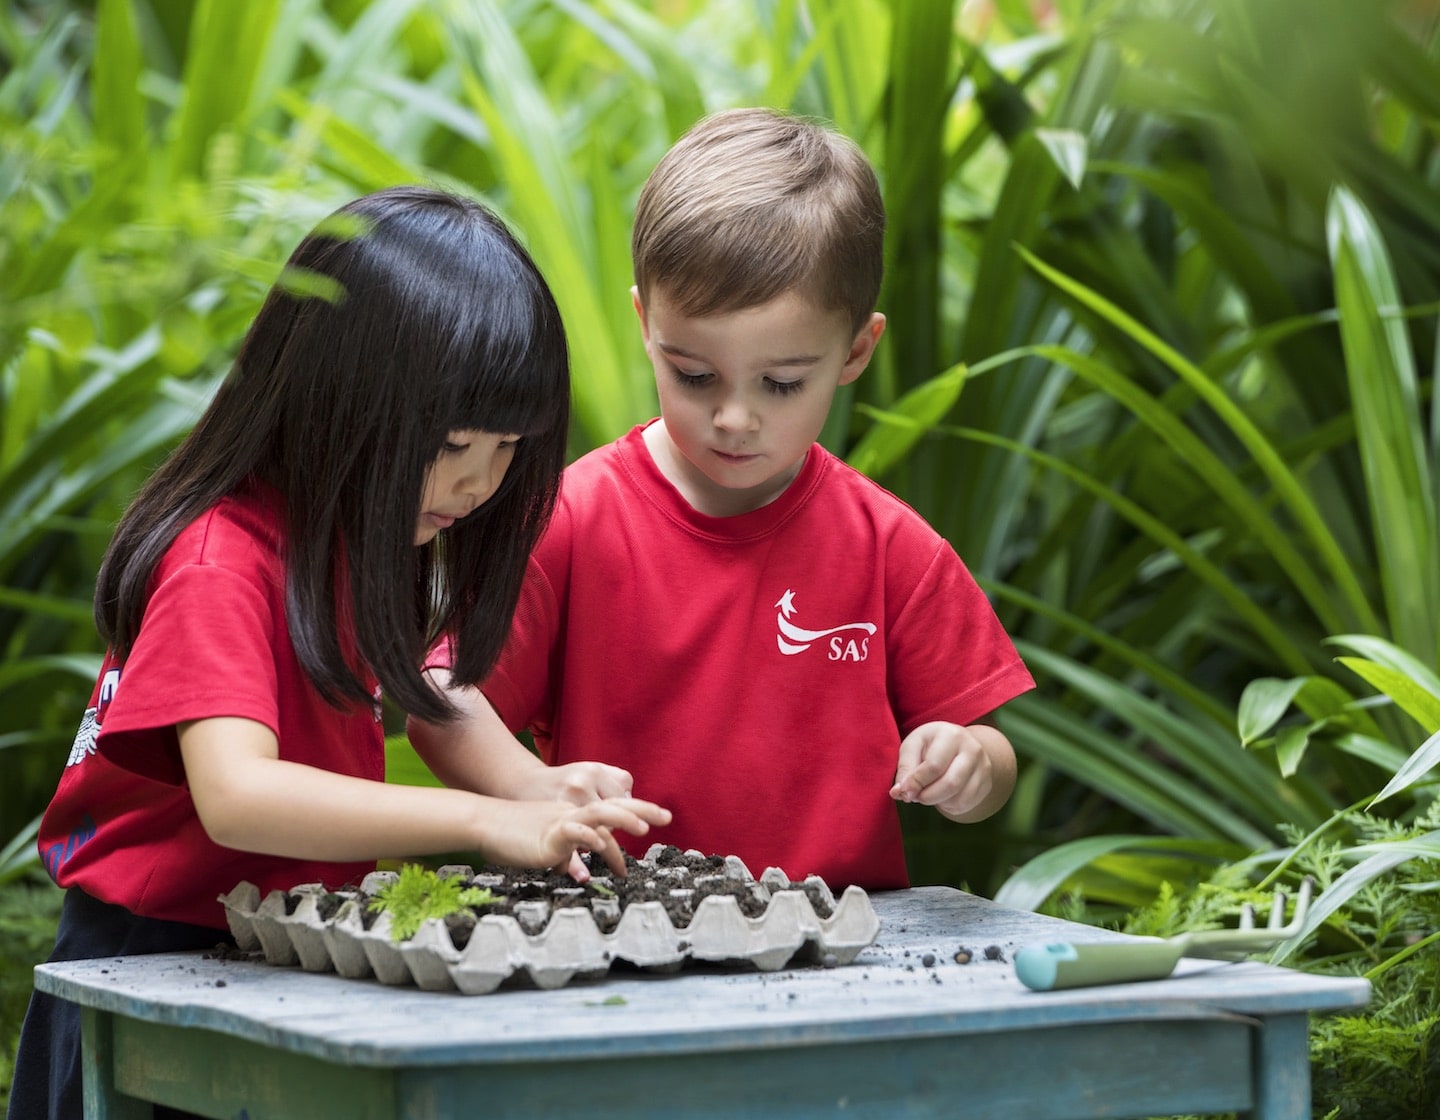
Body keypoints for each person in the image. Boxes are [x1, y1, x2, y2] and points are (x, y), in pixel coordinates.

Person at [9, 185, 670, 1120]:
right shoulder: (220, 561)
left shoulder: (356, 538)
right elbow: (240, 797)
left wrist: (531, 788)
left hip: (268, 960)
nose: (481, 481)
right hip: (147, 976)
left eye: (509, 449)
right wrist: (478, 822)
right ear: (339, 399)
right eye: (452, 442)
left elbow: (427, 695)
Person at [409, 108, 1034, 892]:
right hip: (611, 930)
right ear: (645, 324)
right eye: (695, 375)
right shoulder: (570, 517)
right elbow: (443, 698)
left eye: (781, 383)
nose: (735, 418)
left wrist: (969, 763)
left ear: (857, 350)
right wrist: (528, 790)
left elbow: (990, 753)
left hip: (841, 947)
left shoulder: (888, 545)